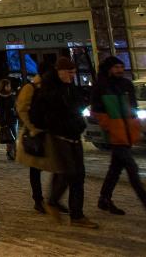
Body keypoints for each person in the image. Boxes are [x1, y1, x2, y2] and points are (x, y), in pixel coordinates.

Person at [91, 56, 146, 221]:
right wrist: (112, 128)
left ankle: (104, 198)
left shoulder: (126, 84)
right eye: (116, 67)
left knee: (115, 169)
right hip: (116, 136)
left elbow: (133, 108)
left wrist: (133, 127)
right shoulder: (101, 87)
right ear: (109, 69)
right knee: (132, 170)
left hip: (127, 134)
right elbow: (98, 113)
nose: (120, 70)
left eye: (121, 67)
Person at [32, 56, 98, 228]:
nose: (72, 75)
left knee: (78, 175)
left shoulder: (71, 88)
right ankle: (53, 201)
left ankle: (77, 215)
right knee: (69, 172)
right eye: (69, 72)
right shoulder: (47, 90)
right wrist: (50, 125)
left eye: (74, 72)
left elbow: (77, 108)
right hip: (58, 136)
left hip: (74, 135)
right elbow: (37, 114)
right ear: (59, 71)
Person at [15, 66, 59, 214]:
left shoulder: (50, 87)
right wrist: (31, 127)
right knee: (35, 169)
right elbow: (22, 108)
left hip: (49, 132)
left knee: (58, 166)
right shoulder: (30, 87)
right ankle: (38, 200)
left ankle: (53, 199)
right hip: (35, 134)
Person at [0, 79, 18, 160]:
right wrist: (2, 122)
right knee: (10, 137)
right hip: (6, 119)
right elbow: (0, 110)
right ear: (3, 87)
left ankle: (13, 152)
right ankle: (11, 152)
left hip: (13, 117)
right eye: (7, 86)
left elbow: (15, 105)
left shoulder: (12, 94)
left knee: (14, 136)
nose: (9, 87)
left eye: (9, 85)